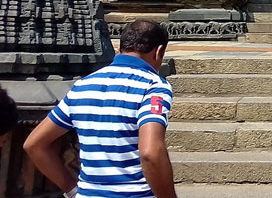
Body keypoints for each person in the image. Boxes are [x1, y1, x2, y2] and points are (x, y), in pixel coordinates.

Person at [24, 19, 176, 198]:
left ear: (120, 48)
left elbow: (34, 144)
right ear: (159, 52)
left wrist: (72, 189)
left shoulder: (82, 85)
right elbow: (151, 153)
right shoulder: (153, 86)